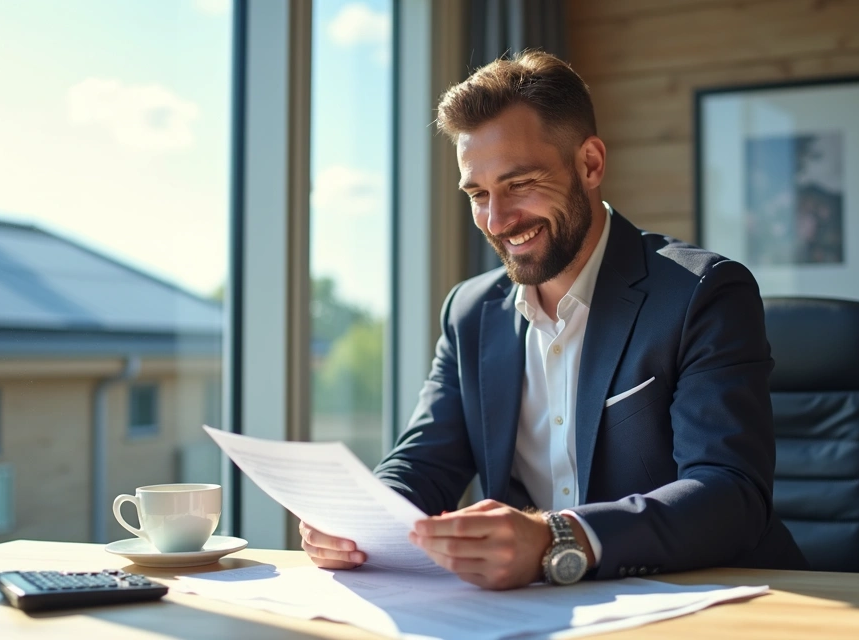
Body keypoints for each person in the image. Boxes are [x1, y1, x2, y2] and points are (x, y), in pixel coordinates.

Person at [300, 50, 808, 590]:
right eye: (478, 194)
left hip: (718, 599)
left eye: (519, 184)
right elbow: (425, 461)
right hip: (542, 612)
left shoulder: (701, 293)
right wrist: (359, 520)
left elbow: (730, 493)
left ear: (589, 164)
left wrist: (559, 539)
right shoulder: (470, 312)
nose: (497, 220)